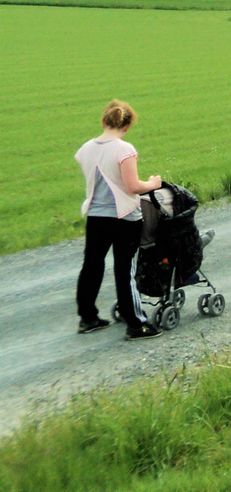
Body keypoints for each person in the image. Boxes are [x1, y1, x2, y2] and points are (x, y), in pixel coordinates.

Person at [75, 100, 163, 339]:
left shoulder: (86, 149)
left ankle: (88, 317)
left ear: (104, 121)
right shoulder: (123, 150)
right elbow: (133, 186)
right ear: (127, 127)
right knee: (125, 269)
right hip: (124, 217)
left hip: (96, 216)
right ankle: (136, 323)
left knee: (92, 265)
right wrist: (153, 183)